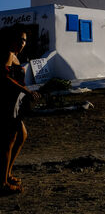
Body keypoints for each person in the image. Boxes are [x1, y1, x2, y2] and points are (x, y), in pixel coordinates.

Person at [1, 26, 40, 194]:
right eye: (20, 39)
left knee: (21, 136)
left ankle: (7, 174)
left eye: (24, 40)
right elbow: (4, 77)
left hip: (14, 104)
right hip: (6, 104)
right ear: (11, 39)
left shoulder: (15, 56)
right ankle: (2, 182)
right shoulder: (8, 54)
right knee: (8, 142)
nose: (23, 43)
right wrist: (26, 91)